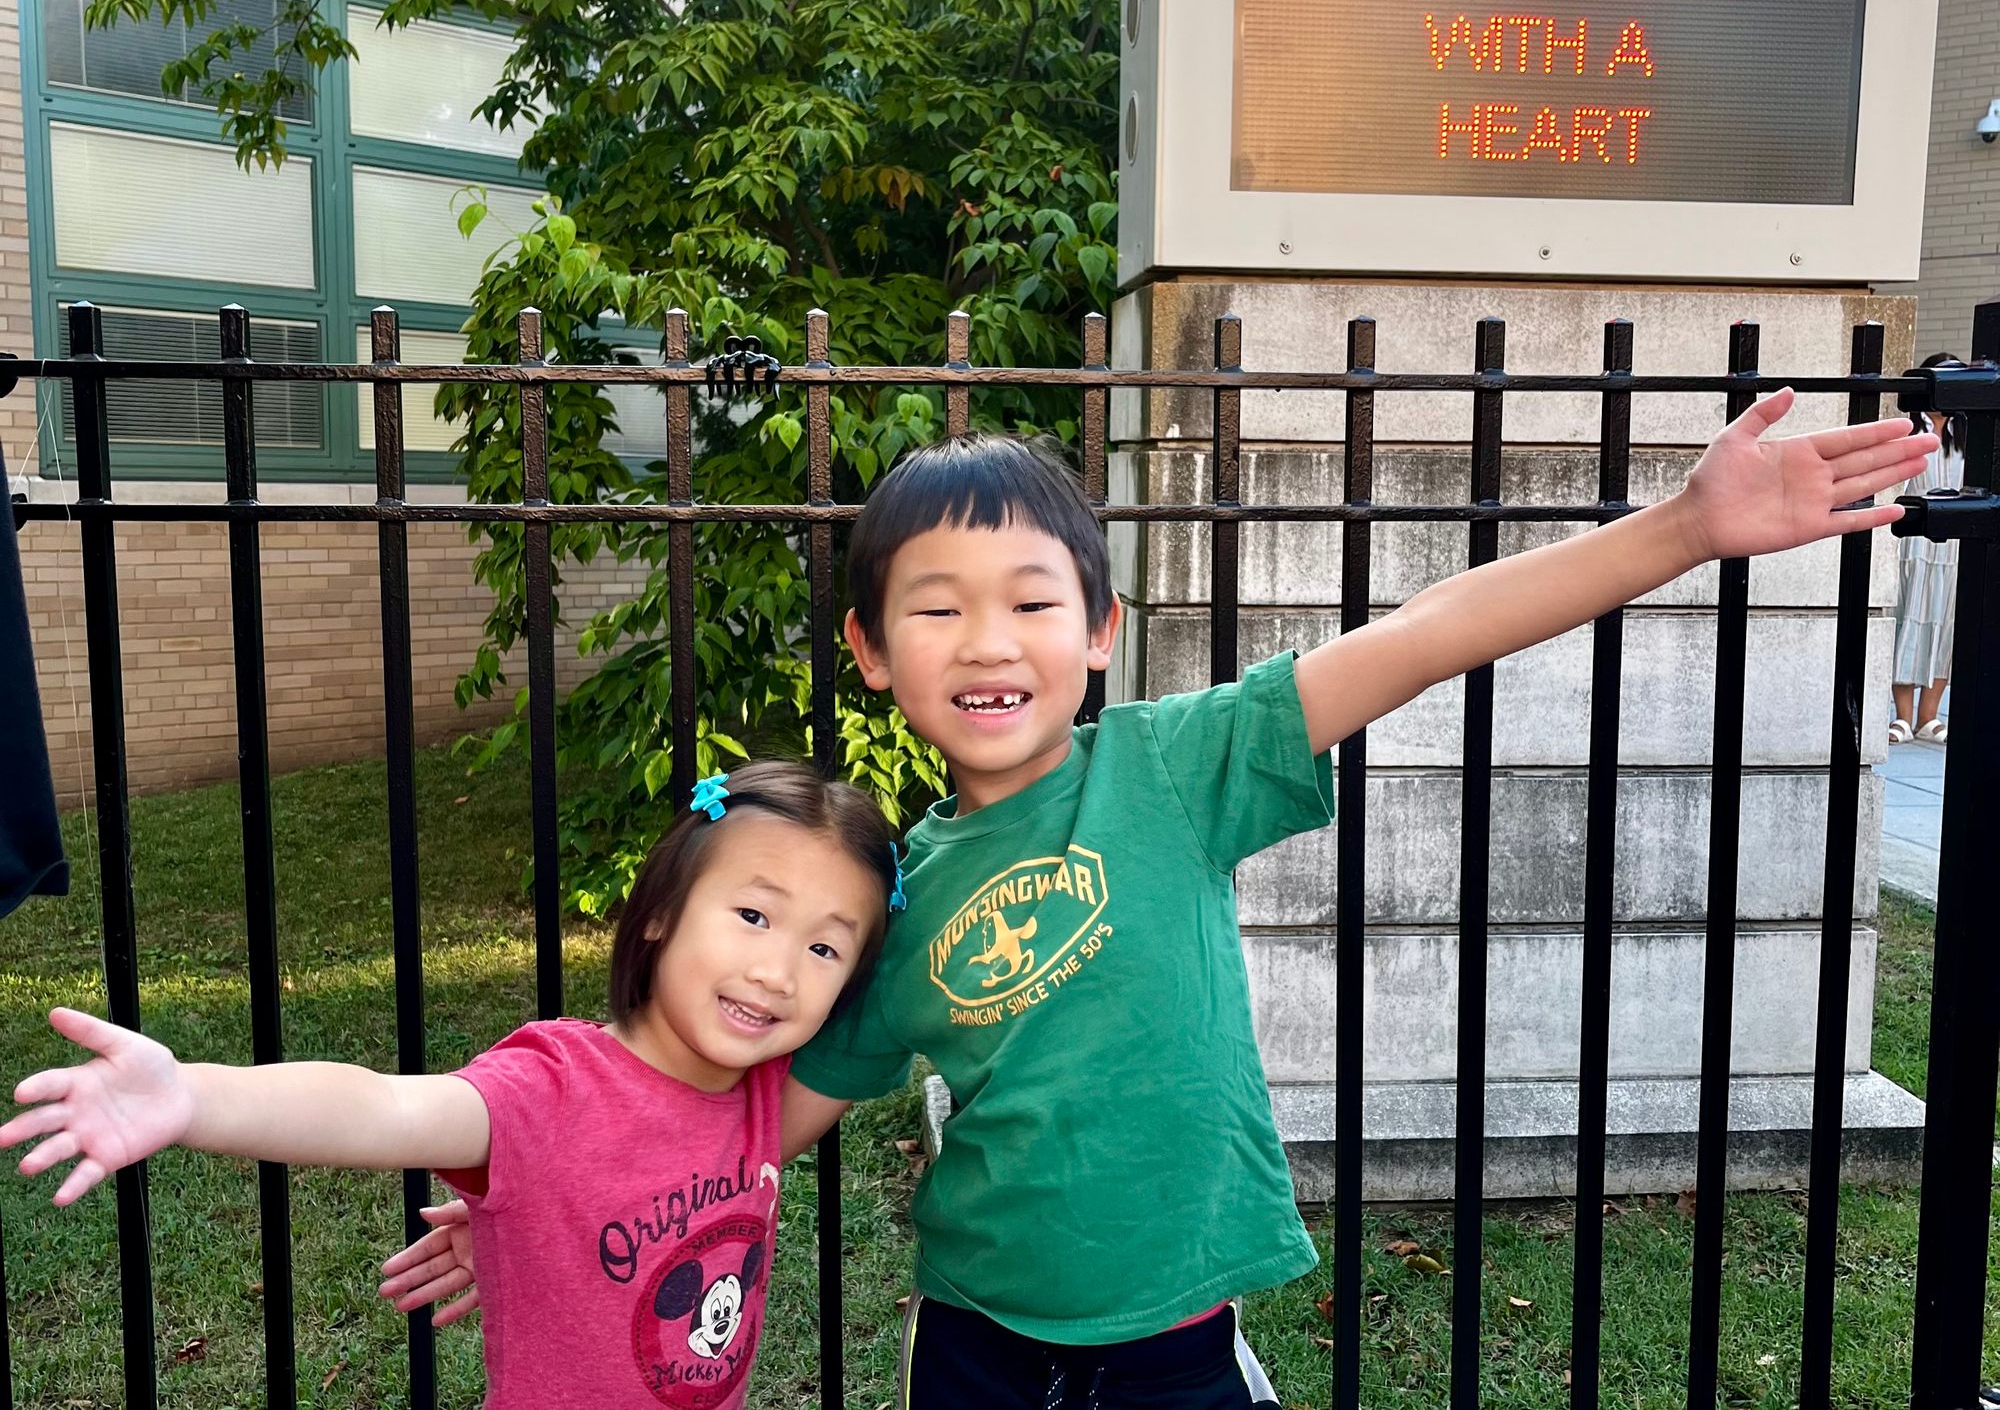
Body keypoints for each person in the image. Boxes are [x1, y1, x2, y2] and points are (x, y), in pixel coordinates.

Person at [387, 389, 1935, 1408]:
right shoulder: (888, 899)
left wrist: (1686, 529)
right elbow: (748, 1119)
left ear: (1102, 631)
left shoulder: (1180, 765)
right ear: (869, 651)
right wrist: (551, 1194)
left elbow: (1429, 632)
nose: (988, 641)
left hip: (1178, 1347)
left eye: (1031, 602)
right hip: (976, 1343)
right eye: (936, 609)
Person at [4, 760, 899, 1410]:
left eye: (825, 946)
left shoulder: (764, 1101)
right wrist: (195, 1097)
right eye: (753, 914)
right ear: (661, 910)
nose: (779, 971)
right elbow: (381, 1106)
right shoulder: (552, 1088)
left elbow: (909, 998)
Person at [1889, 352, 1967, 745]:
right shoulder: (1908, 426)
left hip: (1955, 545)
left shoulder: (1970, 429)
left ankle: (1929, 716)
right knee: (1910, 620)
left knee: (1945, 624)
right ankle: (1903, 717)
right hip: (1915, 541)